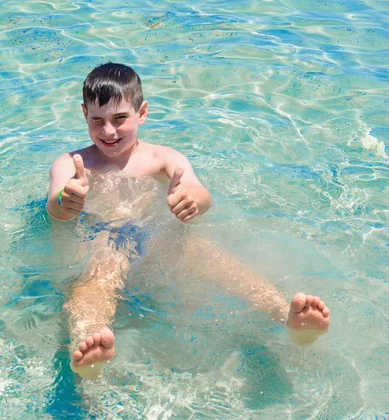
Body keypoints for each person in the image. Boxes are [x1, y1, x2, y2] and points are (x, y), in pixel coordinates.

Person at [47, 62, 330, 380]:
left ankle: (285, 316)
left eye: (119, 118)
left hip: (159, 241)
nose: (108, 131)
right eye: (97, 120)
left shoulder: (162, 159)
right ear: (84, 113)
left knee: (218, 260)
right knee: (93, 285)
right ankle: (91, 341)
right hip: (105, 244)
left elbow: (198, 191)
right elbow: (55, 204)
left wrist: (191, 200)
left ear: (142, 113)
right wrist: (67, 200)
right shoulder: (73, 163)